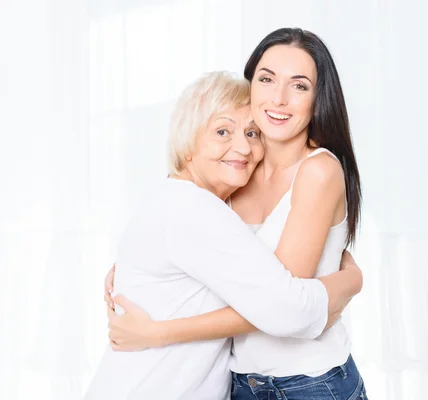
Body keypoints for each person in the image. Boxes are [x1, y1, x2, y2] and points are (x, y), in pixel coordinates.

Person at [106, 27, 368, 399]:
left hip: (310, 383)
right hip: (240, 383)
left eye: (299, 85)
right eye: (266, 79)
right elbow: (190, 240)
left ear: (317, 98)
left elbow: (279, 309)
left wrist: (157, 332)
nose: (278, 98)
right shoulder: (237, 171)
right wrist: (138, 269)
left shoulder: (318, 171)